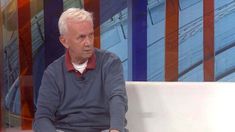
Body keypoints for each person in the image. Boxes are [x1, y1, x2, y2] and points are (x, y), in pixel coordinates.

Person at [33, 8, 128, 132]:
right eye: (81, 37)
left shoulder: (110, 62)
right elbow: (42, 117)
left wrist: (115, 129)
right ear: (64, 41)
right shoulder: (53, 73)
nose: (88, 43)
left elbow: (117, 98)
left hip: (104, 129)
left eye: (91, 35)